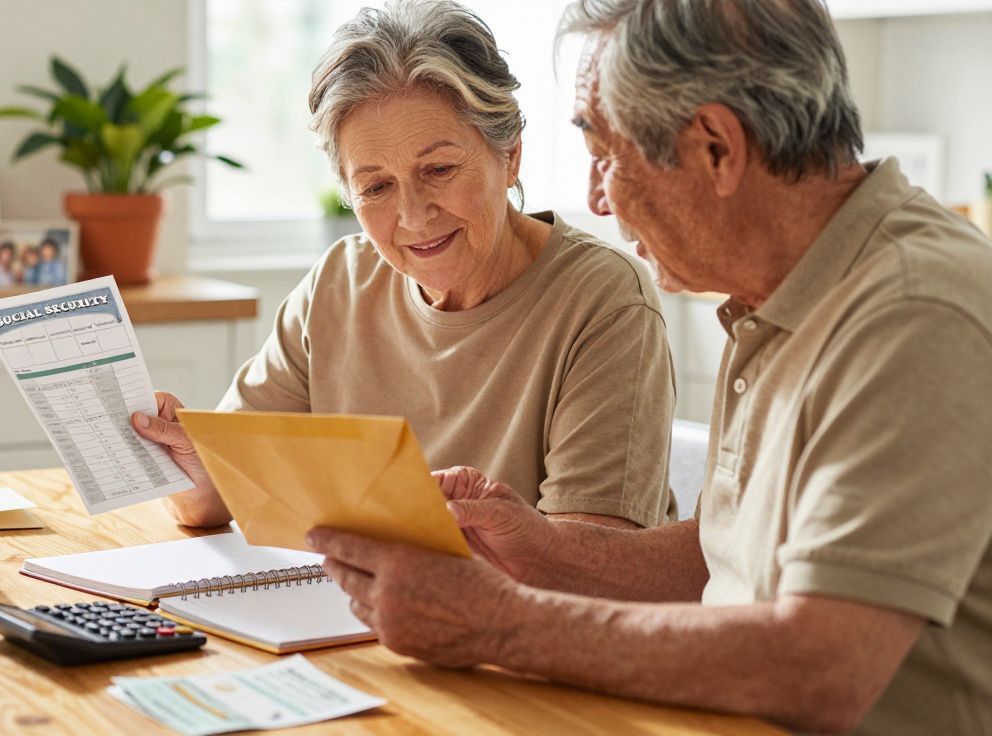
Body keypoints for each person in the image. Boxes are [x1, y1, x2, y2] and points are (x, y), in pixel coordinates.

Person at [308, 2, 992, 734]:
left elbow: (820, 663)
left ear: (716, 149)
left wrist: (495, 621)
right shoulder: (783, 295)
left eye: (608, 154)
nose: (598, 198)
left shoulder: (913, 311)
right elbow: (722, 560)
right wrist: (543, 549)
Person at [133, 0, 676, 531]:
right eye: (375, 186)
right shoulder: (338, 283)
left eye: (438, 168)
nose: (413, 216)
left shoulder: (604, 300)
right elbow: (215, 496)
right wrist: (181, 457)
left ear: (509, 153)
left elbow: (587, 563)